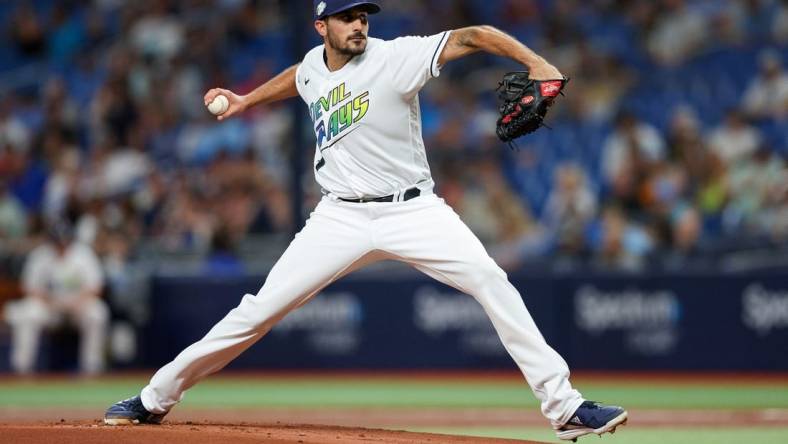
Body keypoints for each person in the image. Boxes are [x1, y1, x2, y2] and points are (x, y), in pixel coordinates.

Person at [104, 1, 627, 441]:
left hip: (414, 210)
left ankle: (565, 409)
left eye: (363, 16)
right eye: (346, 17)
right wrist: (247, 100)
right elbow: (302, 78)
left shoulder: (396, 57)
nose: (358, 24)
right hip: (339, 217)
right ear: (322, 26)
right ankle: (154, 398)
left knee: (492, 281)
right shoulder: (313, 64)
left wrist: (537, 63)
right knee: (258, 311)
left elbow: (475, 34)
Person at [3, 221, 108, 375]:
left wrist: (77, 301)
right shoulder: (40, 255)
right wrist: (49, 301)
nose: (61, 244)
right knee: (29, 314)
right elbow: (28, 287)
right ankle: (22, 369)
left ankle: (92, 368)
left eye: (65, 241)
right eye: (58, 241)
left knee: (98, 313)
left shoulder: (83, 254)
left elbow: (96, 287)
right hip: (49, 307)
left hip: (78, 306)